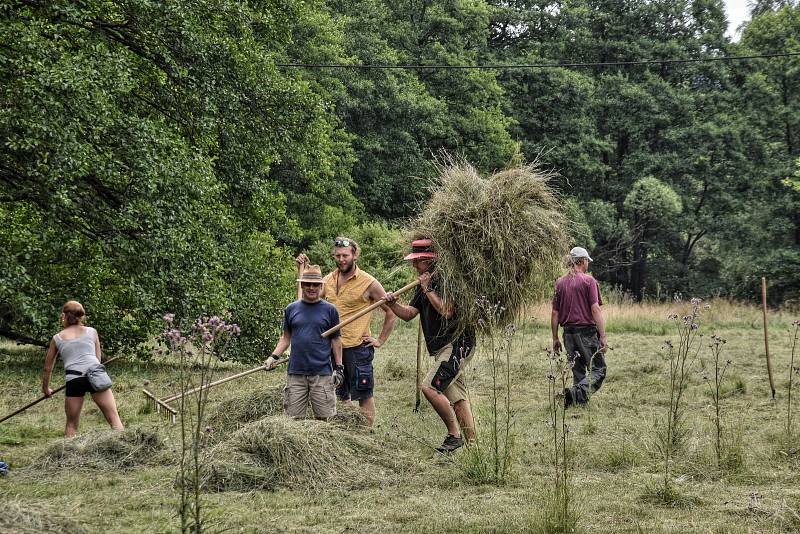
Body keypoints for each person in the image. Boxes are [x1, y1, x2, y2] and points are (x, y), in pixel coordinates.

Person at [385, 238, 475, 453]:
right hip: (442, 348)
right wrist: (392, 304)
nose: (415, 266)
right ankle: (474, 446)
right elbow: (409, 314)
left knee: (430, 387)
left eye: (418, 261)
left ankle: (454, 436)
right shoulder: (423, 284)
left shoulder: (446, 281)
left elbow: (447, 311)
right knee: (457, 398)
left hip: (457, 344)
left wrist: (427, 289)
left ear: (430, 260)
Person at [296, 237, 397, 426]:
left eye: (345, 255)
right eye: (338, 256)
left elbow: (391, 311)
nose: (341, 259)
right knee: (341, 395)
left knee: (364, 394)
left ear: (355, 255)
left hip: (358, 348)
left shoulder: (369, 282)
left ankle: (366, 434)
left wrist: (380, 340)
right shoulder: (328, 280)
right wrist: (302, 271)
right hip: (333, 348)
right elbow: (304, 301)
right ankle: (349, 433)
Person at [266, 265, 344, 420]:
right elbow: (286, 338)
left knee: (325, 418)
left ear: (321, 285)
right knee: (293, 419)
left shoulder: (330, 310)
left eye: (315, 284)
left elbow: (336, 340)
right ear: (301, 285)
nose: (311, 288)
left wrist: (339, 367)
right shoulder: (291, 309)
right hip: (296, 373)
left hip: (322, 373)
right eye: (307, 284)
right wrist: (273, 357)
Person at [41, 300, 124, 437]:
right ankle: (125, 447)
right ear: (81, 316)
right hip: (95, 374)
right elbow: (98, 359)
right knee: (114, 418)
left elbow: (47, 367)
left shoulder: (57, 338)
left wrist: (46, 388)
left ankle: (67, 456)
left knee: (71, 424)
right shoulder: (92, 332)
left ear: (64, 316)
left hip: (74, 379)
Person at [551, 246, 608, 407]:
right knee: (599, 369)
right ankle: (576, 394)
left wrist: (555, 338)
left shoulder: (560, 283)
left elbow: (555, 313)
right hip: (586, 333)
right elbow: (595, 309)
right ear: (582, 261)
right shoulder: (589, 281)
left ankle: (577, 403)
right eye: (587, 261)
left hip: (567, 333)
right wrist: (603, 336)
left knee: (578, 370)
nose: (588, 264)